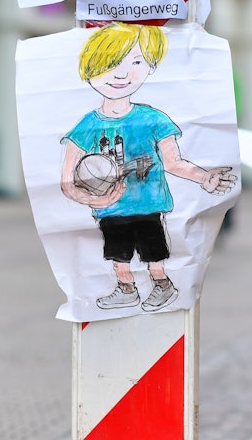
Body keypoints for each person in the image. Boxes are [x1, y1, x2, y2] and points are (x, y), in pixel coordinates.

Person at [61, 22, 236, 312]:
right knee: (117, 254)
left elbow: (174, 162)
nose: (121, 73)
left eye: (136, 62)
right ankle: (126, 289)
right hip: (110, 210)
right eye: (112, 63)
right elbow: (67, 180)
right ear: (90, 68)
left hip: (148, 205)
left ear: (150, 68)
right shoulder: (86, 126)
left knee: (153, 251)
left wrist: (204, 178)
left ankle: (162, 284)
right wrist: (96, 198)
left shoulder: (153, 119)